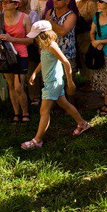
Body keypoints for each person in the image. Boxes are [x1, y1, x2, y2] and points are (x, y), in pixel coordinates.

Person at [21, 21, 90, 149]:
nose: (35, 39)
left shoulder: (52, 46)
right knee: (65, 104)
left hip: (53, 83)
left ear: (44, 35)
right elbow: (44, 61)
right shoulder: (45, 46)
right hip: (51, 81)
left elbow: (66, 63)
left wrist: (70, 81)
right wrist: (35, 73)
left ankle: (37, 141)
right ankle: (82, 123)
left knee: (44, 111)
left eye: (37, 36)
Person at [0, 0, 32, 123]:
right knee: (10, 85)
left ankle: (25, 112)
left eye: (8, 1)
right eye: (3, 1)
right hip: (5, 55)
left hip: (21, 54)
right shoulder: (0, 17)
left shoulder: (25, 18)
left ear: (16, 4)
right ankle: (16, 113)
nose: (4, 3)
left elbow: (30, 40)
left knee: (19, 87)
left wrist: (12, 39)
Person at [43, 0, 77, 72]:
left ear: (67, 1)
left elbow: (63, 32)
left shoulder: (71, 16)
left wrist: (50, 22)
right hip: (51, 53)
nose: (55, 0)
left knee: (67, 82)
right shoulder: (50, 12)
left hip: (67, 55)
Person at [74, 0, 97, 85]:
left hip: (87, 35)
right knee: (81, 58)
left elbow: (95, 21)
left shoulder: (91, 4)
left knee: (87, 57)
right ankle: (86, 79)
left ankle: (91, 82)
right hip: (78, 35)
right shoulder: (77, 3)